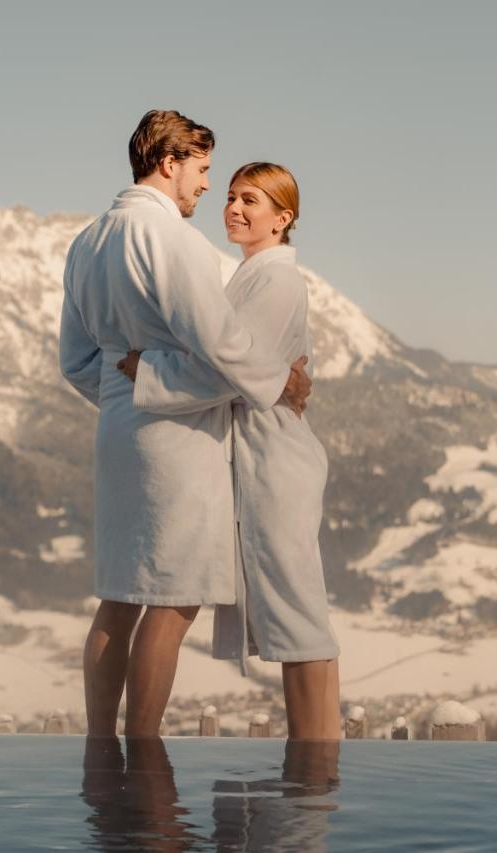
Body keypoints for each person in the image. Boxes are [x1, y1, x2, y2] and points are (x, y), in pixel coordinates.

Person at [59, 111, 312, 738]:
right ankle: (144, 752)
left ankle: (100, 745)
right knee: (172, 601)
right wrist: (281, 378)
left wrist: (128, 388)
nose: (205, 187)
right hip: (178, 443)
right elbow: (222, 345)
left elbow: (75, 362)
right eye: (201, 171)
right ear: (169, 163)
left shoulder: (86, 242)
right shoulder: (173, 241)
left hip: (117, 433)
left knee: (119, 596)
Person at [118, 163, 340, 740]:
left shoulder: (278, 282)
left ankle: (315, 773)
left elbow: (227, 373)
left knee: (298, 616)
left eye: (252, 201)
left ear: (283, 218)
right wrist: (268, 376)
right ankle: (309, 768)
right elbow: (242, 366)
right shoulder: (245, 279)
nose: (234, 208)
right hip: (256, 458)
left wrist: (148, 368)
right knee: (290, 617)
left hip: (276, 462)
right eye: (233, 196)